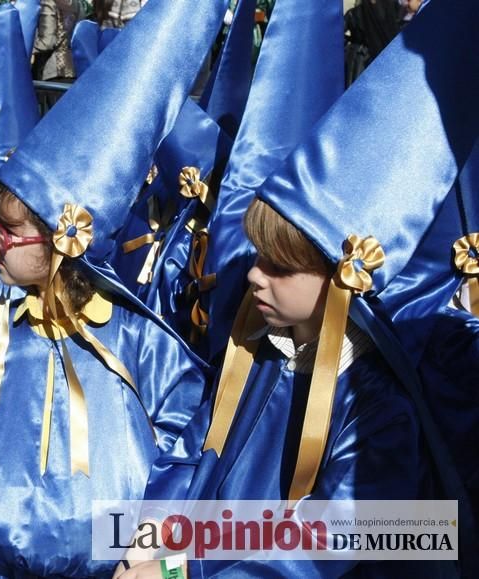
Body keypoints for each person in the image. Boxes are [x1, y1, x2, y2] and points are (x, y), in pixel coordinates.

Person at [133, 2, 478, 575]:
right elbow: (197, 449)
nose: (253, 276)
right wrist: (147, 536)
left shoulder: (375, 408)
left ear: (342, 281)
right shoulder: (261, 353)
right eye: (259, 258)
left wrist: (178, 570)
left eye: (279, 267)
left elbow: (339, 538)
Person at [0, 0, 218, 575]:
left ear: (62, 240)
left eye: (9, 229)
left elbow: (187, 439)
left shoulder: (132, 337)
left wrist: (152, 538)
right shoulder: (0, 327)